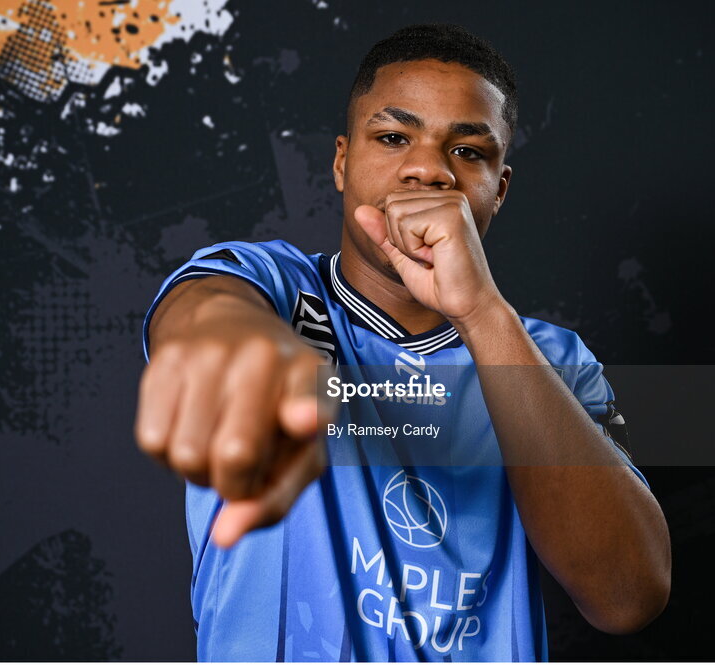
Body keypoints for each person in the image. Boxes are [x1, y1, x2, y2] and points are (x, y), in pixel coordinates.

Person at [135, 24, 671, 661]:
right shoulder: (271, 287)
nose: (427, 169)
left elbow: (627, 596)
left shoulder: (553, 361)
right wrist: (248, 355)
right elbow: (204, 314)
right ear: (341, 162)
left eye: (469, 152)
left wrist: (480, 310)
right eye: (393, 137)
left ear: (499, 189)